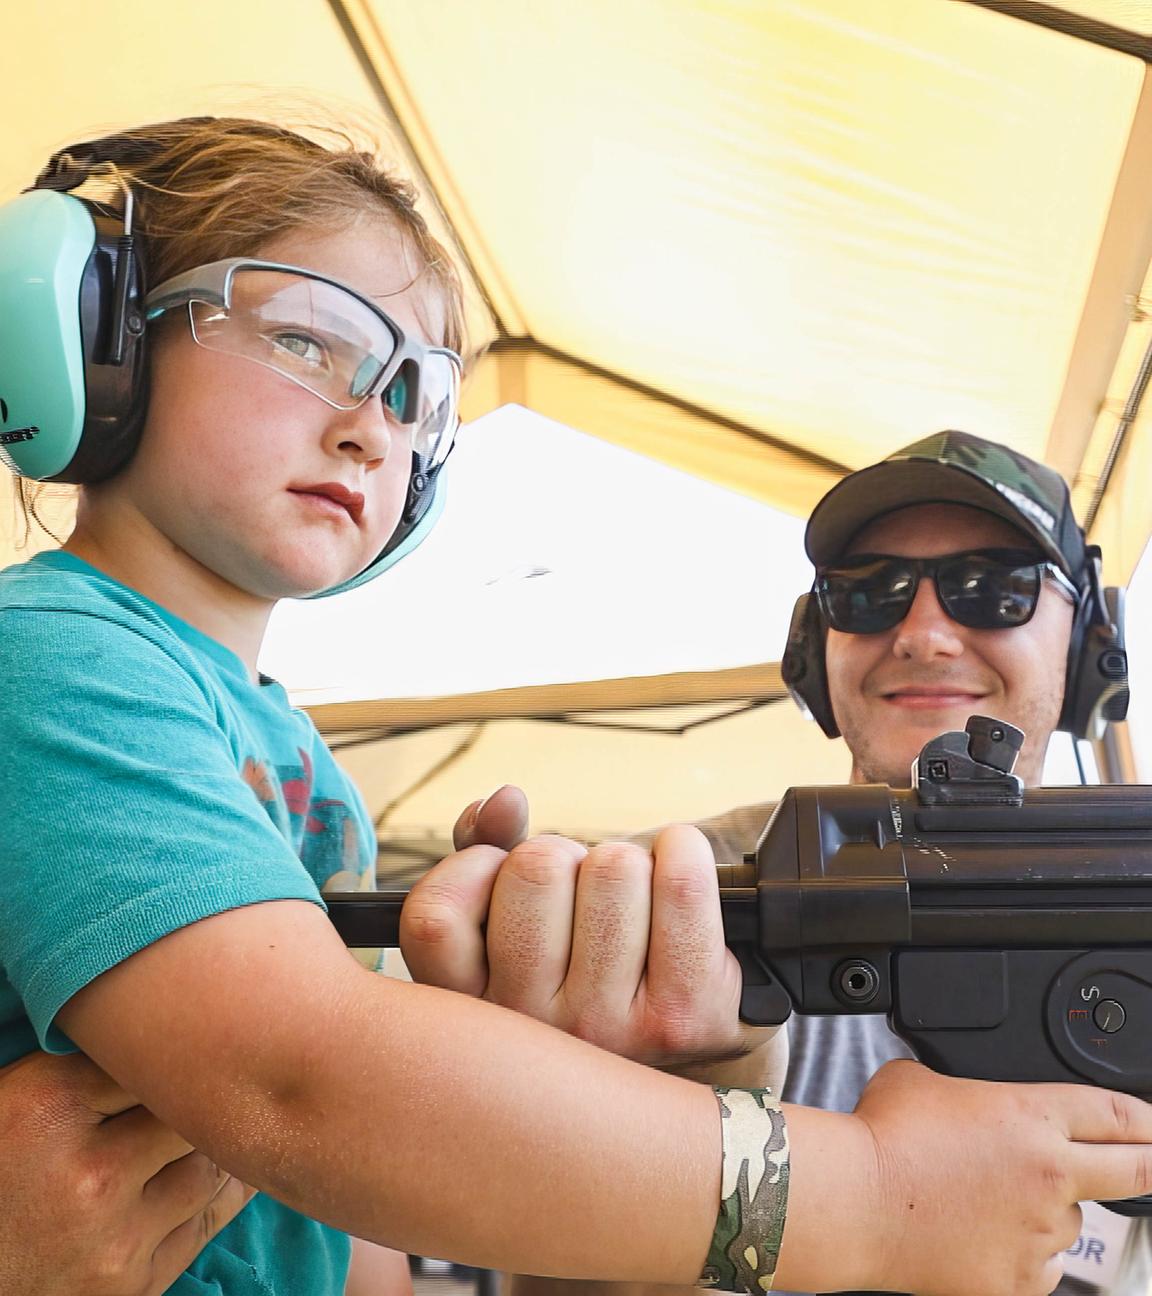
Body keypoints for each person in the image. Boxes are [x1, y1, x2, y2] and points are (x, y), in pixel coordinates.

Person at [1, 118, 1148, 1296]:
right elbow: (300, 1082)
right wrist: (868, 1198)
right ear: (94, 334)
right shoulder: (51, 666)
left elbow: (344, 1224)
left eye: (411, 395)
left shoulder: (292, 754)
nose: (369, 426)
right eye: (307, 338)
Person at [403, 431, 1146, 1296]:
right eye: (868, 595)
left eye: (994, 589)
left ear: (1094, 640)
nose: (925, 633)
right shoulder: (681, 900)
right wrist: (699, 1101)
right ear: (811, 645)